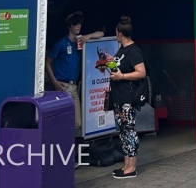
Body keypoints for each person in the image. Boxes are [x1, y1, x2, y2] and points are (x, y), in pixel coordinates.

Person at [45, 11, 104, 138]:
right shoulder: (61, 43)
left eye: (80, 24)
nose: (78, 26)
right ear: (69, 26)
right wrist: (54, 81)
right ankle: (58, 144)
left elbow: (101, 33)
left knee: (77, 123)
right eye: (75, 24)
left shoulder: (81, 41)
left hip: (74, 86)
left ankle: (62, 142)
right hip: (62, 86)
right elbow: (47, 62)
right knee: (63, 119)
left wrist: (88, 36)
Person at [105, 16, 147, 179]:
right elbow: (118, 70)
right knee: (122, 131)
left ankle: (132, 167)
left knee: (129, 130)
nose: (115, 34)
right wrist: (111, 62)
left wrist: (122, 77)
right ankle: (126, 164)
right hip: (119, 97)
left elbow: (141, 72)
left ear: (120, 33)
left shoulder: (133, 50)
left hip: (127, 98)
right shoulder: (121, 50)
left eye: (116, 32)